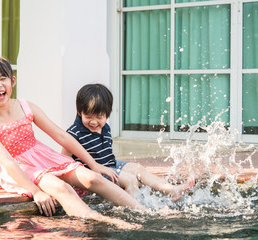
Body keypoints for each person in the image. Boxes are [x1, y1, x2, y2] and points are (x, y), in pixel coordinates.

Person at [0, 42, 145, 228]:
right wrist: (35, 191)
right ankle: (106, 220)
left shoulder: (25, 106)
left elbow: (60, 136)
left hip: (42, 155)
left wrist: (94, 165)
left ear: (12, 81)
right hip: (19, 167)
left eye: (2, 78)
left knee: (92, 178)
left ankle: (143, 211)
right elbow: (7, 162)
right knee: (62, 188)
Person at [62, 84, 195, 201]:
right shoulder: (74, 133)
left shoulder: (105, 128)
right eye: (88, 117)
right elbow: (64, 159)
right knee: (130, 180)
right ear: (80, 112)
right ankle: (133, 209)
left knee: (138, 169)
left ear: (107, 114)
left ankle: (171, 190)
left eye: (99, 117)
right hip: (94, 173)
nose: (94, 122)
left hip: (109, 165)